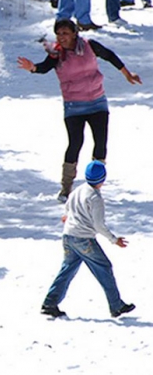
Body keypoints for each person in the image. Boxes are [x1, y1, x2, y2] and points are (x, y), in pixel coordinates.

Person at [17, 19, 142, 202]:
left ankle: (94, 186)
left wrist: (127, 74)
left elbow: (109, 56)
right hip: (74, 105)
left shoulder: (89, 46)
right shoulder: (56, 53)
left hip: (97, 102)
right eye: (59, 34)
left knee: (100, 144)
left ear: (75, 33)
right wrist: (33, 68)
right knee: (75, 143)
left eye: (65, 33)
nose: (62, 38)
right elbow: (44, 68)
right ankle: (66, 188)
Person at [41, 160, 136, 318]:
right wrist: (114, 239)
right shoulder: (95, 198)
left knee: (67, 269)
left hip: (68, 236)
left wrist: (67, 217)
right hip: (84, 239)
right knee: (104, 267)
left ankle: (50, 303)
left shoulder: (79, 190)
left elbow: (68, 207)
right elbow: (98, 225)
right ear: (103, 179)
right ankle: (116, 305)